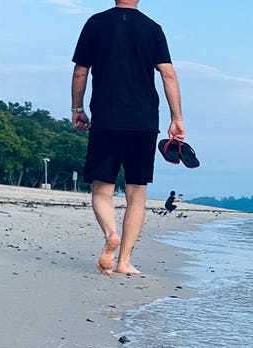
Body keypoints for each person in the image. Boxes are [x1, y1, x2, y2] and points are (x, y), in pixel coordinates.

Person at [70, 0, 185, 276]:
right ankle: (124, 261)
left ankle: (111, 233)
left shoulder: (95, 23)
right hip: (143, 122)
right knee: (136, 195)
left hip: (107, 119)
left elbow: (80, 71)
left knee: (101, 191)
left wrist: (77, 108)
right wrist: (176, 117)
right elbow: (168, 74)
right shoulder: (152, 28)